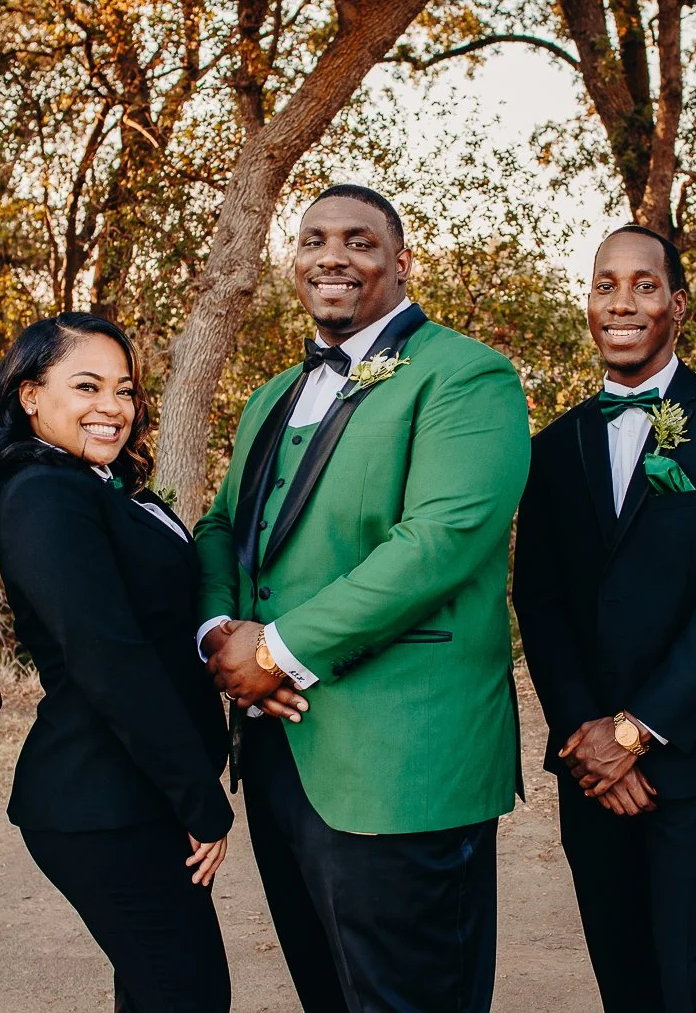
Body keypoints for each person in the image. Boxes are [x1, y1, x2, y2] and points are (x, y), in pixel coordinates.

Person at [194, 184, 530, 1011]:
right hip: (281, 758)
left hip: (404, 758)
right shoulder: (273, 394)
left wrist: (274, 650)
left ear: (403, 262)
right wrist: (218, 632)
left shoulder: (466, 376)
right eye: (313, 240)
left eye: (359, 240)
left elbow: (440, 543)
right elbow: (221, 525)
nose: (332, 257)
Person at [512, 225, 696, 1011]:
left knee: (694, 982)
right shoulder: (552, 445)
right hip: (588, 764)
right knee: (621, 977)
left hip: (693, 756)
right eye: (606, 285)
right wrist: (586, 735)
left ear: (677, 303)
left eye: (642, 285)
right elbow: (540, 599)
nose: (621, 302)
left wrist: (635, 734)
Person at [0, 314, 233, 1013]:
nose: (112, 408)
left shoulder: (104, 486)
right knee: (188, 993)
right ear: (30, 395)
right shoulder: (42, 494)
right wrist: (199, 799)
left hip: (139, 789)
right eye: (87, 386)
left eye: (124, 391)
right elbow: (109, 656)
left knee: (157, 990)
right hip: (98, 796)